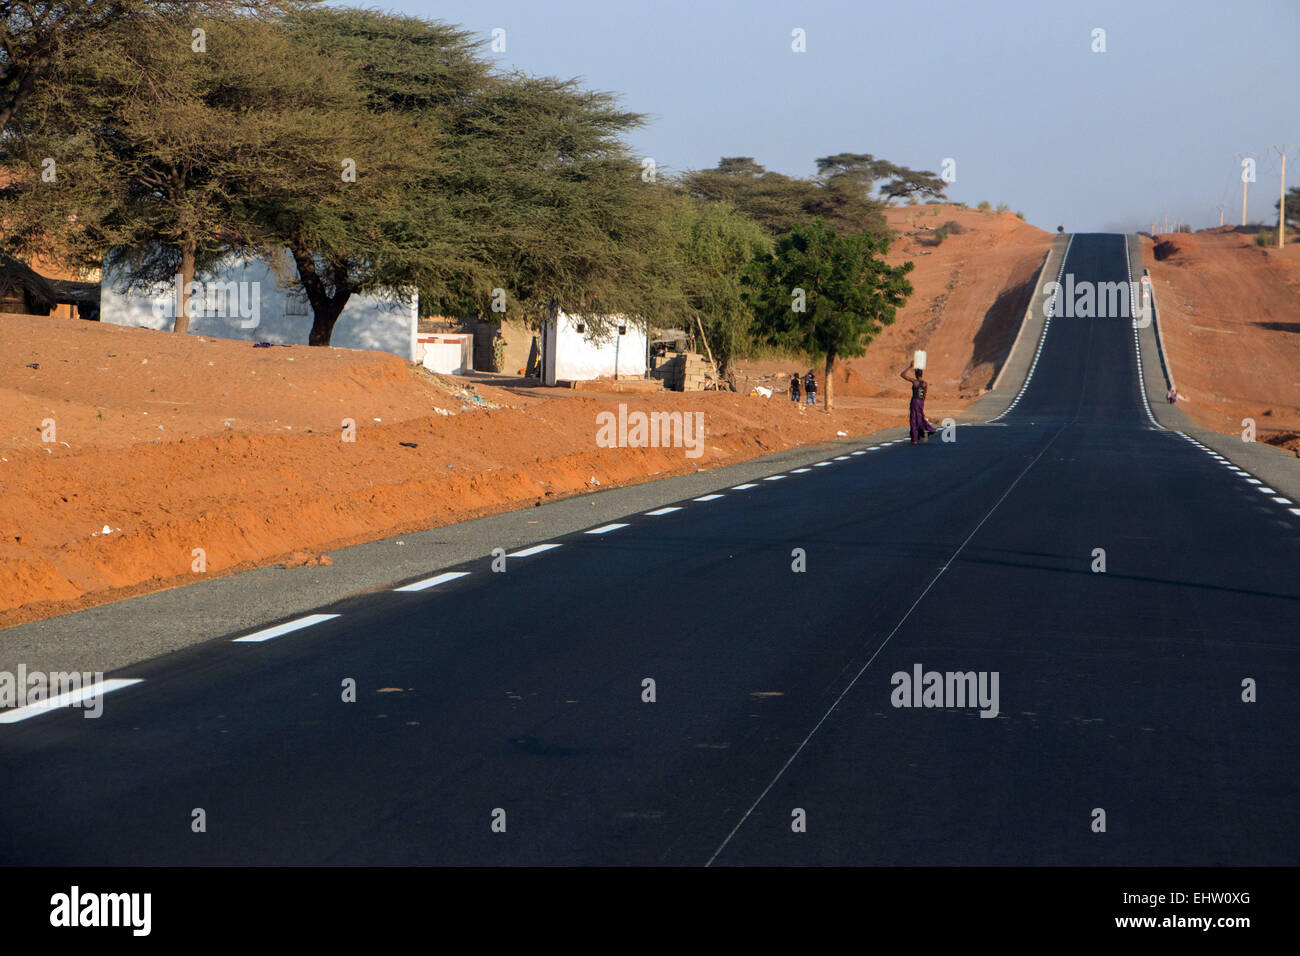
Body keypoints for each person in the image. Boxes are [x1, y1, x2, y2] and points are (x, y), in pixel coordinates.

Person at [900, 363, 938, 444]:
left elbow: (902, 375)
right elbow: (924, 395)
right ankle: (927, 430)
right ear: (922, 374)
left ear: (915, 374)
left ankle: (915, 439)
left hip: (915, 401)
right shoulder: (925, 383)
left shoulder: (915, 382)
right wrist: (921, 403)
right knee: (920, 417)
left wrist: (910, 367)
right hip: (921, 402)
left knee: (913, 419)